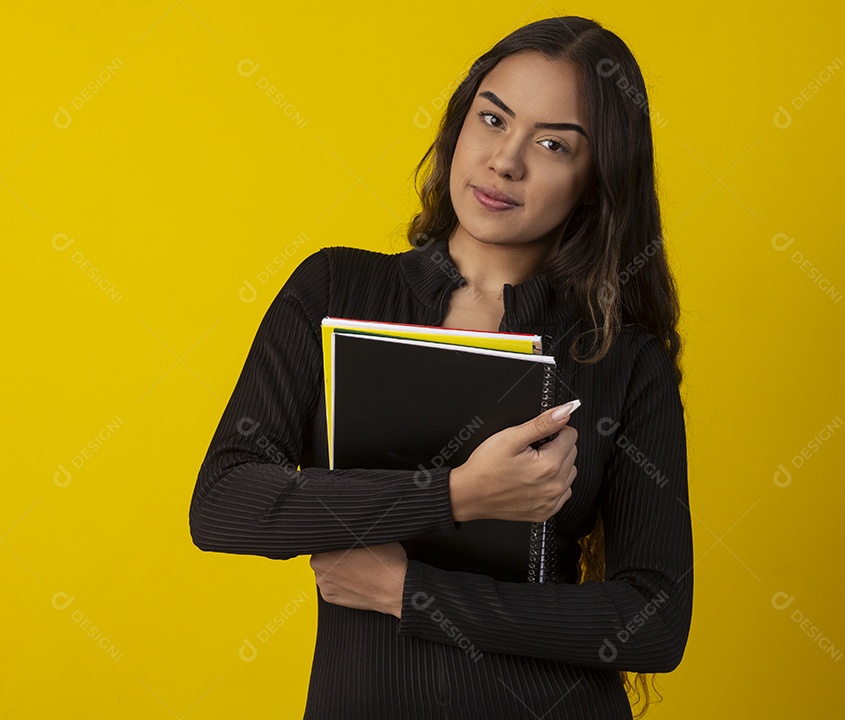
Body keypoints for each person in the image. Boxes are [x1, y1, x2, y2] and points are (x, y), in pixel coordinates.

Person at [189, 15, 692, 720]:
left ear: (593, 181)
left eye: (552, 144)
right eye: (493, 120)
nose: (504, 161)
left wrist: (411, 594)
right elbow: (224, 504)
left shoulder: (622, 356)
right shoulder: (335, 290)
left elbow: (655, 619)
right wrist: (455, 494)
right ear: (460, 125)